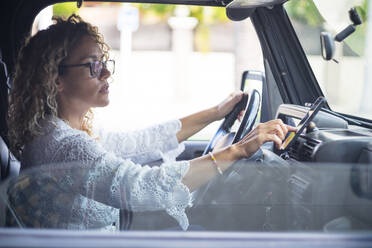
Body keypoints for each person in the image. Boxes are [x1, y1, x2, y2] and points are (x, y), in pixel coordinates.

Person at [7, 15, 295, 231]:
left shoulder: (66, 131)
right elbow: (141, 188)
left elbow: (142, 142)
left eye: (104, 62)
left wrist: (216, 112)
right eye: (93, 65)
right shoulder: (65, 145)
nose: (106, 72)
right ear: (56, 79)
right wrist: (237, 151)